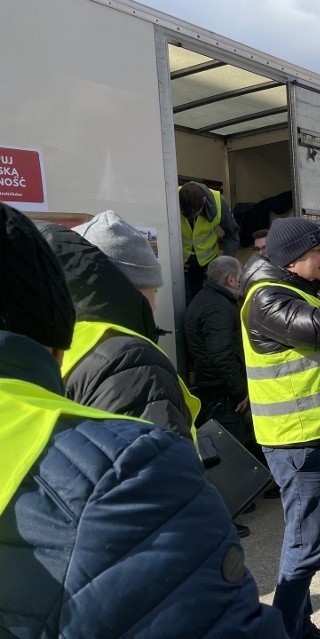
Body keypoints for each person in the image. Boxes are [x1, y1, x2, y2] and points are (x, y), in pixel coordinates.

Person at [0, 204, 283, 638]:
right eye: (151, 291)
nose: (156, 303)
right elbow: (169, 578)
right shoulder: (130, 437)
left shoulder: (84, 351)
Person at [240, 216, 320, 638]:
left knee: (306, 544)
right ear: (291, 261)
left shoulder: (293, 289)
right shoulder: (265, 297)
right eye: (318, 254)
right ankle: (284, 633)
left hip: (317, 434)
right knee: (305, 549)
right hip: (299, 441)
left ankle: (301, 628)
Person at [40, 211, 198, 440]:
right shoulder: (132, 361)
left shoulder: (61, 339)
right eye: (153, 291)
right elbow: (160, 470)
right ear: (129, 290)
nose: (154, 305)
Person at [184, 256, 248, 431]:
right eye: (241, 276)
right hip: (222, 393)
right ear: (232, 280)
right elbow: (221, 355)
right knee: (228, 448)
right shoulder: (218, 307)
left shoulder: (208, 299)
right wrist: (240, 391)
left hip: (214, 387)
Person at [179, 181, 240, 302]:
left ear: (203, 202)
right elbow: (160, 232)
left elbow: (232, 233)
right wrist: (172, 262)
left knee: (210, 303)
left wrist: (223, 265)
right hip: (181, 268)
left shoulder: (218, 203)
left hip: (209, 267)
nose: (190, 218)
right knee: (183, 305)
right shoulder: (168, 196)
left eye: (194, 214)